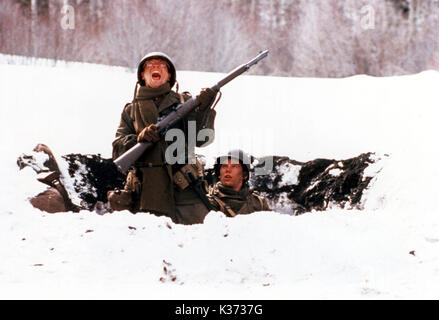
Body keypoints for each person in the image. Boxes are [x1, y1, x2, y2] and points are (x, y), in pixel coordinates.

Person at [111, 52, 218, 224]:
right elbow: (117, 149)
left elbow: (202, 139)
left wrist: (204, 111)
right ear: (142, 76)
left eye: (161, 65)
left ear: (169, 75)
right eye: (150, 65)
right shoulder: (131, 110)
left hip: (185, 193)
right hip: (145, 194)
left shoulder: (186, 103)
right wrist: (139, 138)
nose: (156, 67)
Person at [208, 150, 271, 216]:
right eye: (224, 166)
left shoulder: (259, 204)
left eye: (234, 166)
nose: (228, 170)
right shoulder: (209, 203)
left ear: (244, 175)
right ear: (219, 175)